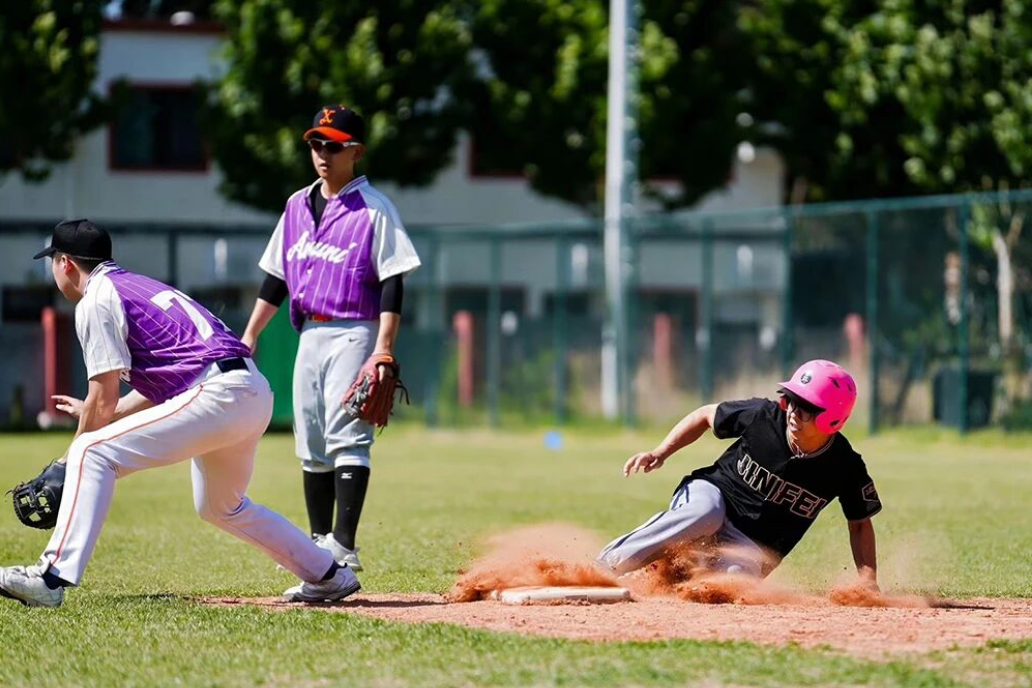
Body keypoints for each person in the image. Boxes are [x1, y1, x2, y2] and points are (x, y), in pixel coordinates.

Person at [0, 219, 359, 607]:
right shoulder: (136, 286)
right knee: (221, 506)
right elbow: (163, 377)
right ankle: (328, 574)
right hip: (249, 390)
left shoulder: (96, 300)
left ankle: (49, 579)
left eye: (52, 261)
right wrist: (112, 413)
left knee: (91, 452)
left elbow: (101, 401)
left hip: (217, 395)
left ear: (65, 263)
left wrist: (67, 462)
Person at [240, 105, 420, 572]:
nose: (323, 153)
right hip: (310, 331)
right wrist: (251, 333)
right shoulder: (296, 206)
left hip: (355, 329)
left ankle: (344, 545)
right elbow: (277, 277)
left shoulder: (375, 209)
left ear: (355, 151)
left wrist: (383, 346)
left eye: (334, 146)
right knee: (311, 439)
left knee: (347, 435)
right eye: (317, 144)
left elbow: (393, 279)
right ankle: (319, 543)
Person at [597, 359, 881, 587]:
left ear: (833, 418)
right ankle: (606, 564)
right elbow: (705, 415)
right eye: (791, 400)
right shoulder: (764, 416)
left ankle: (671, 572)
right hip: (714, 495)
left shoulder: (845, 466)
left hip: (750, 546)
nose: (793, 412)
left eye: (806, 408)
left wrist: (868, 581)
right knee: (704, 513)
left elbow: (859, 524)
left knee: (728, 583)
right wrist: (660, 452)